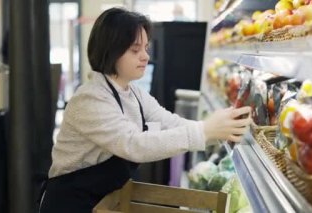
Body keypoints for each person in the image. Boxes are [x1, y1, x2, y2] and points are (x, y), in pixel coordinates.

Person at [39, 7, 251, 213]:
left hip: (105, 201)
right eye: (135, 50)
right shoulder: (90, 98)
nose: (145, 57)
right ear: (111, 51)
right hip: (71, 203)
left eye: (146, 48)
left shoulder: (132, 93)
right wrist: (204, 131)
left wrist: (218, 130)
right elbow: (133, 144)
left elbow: (170, 122)